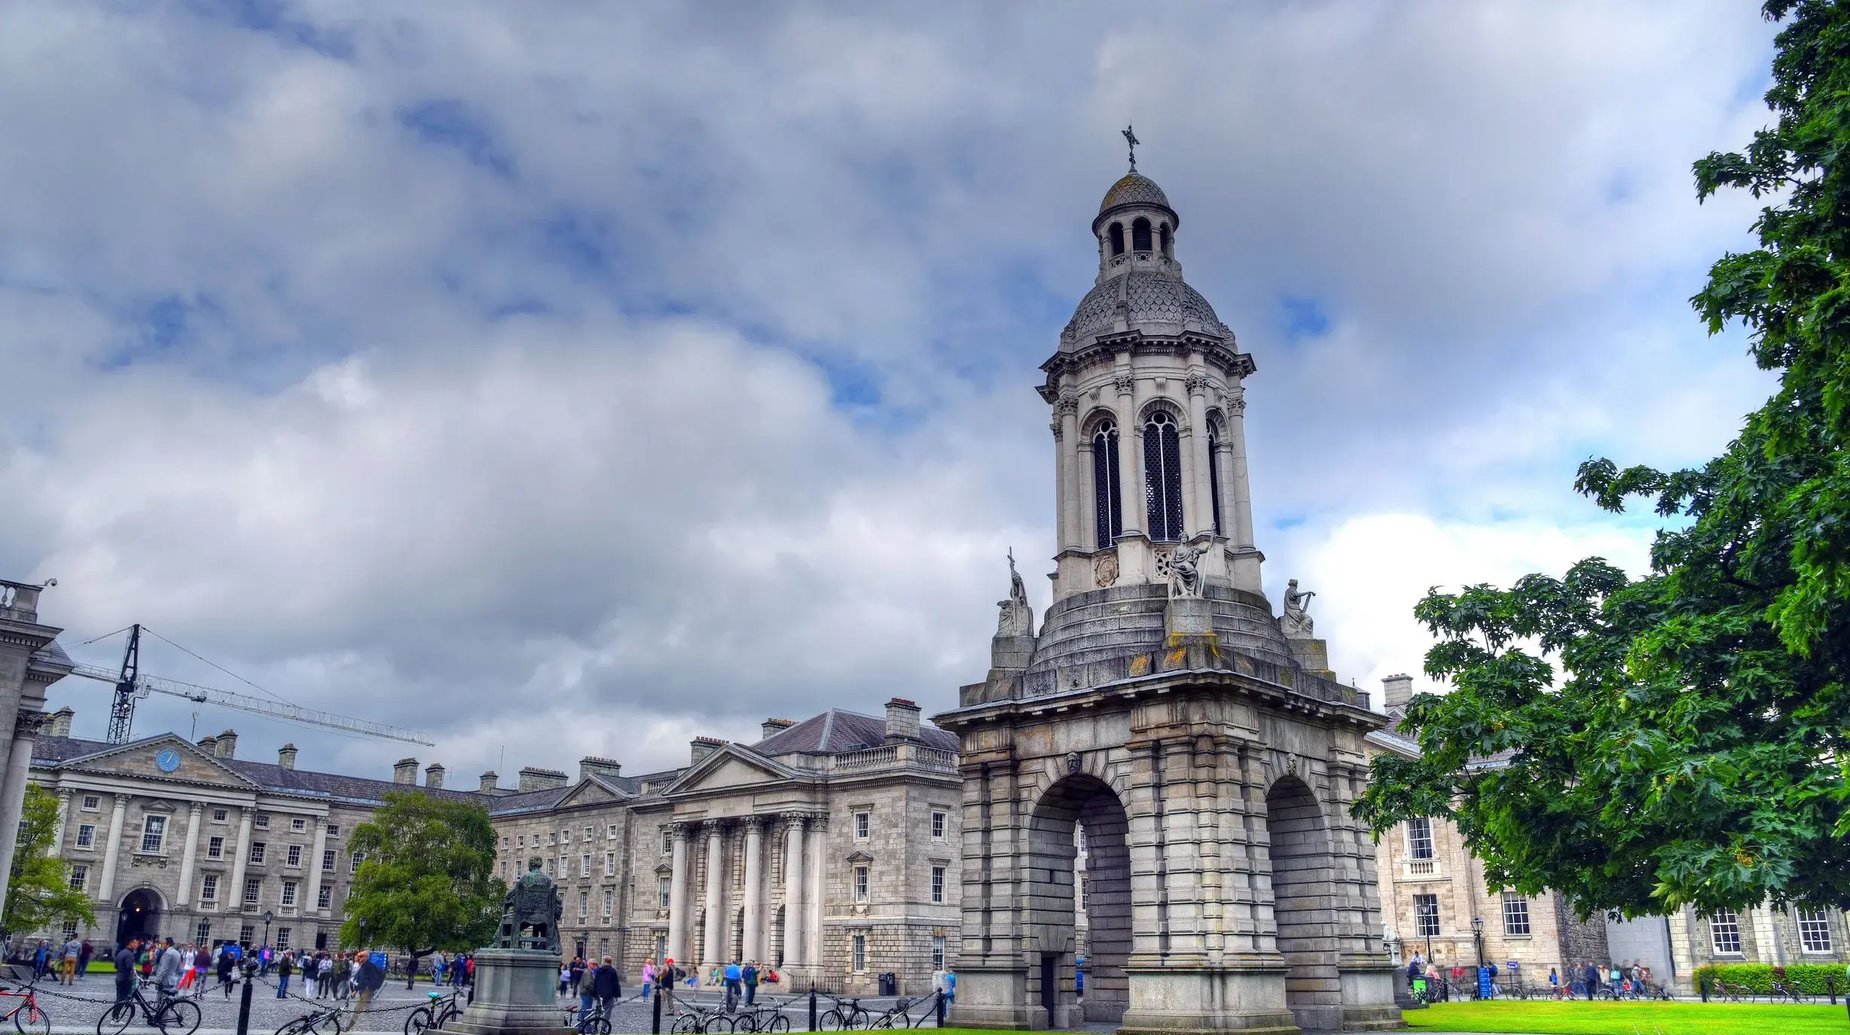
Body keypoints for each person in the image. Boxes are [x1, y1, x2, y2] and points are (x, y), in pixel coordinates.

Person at [353, 951, 385, 1015]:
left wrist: (368, 988)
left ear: (366, 957)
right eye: (358, 956)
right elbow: (359, 978)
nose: (359, 958)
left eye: (361, 956)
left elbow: (371, 979)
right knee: (366, 1002)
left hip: (367, 988)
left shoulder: (370, 966)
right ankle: (368, 1013)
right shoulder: (363, 965)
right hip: (363, 988)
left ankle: (367, 1015)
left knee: (360, 1005)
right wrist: (356, 990)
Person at [592, 955, 621, 1023]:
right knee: (607, 1012)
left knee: (598, 1011)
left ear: (604, 961)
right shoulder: (613, 971)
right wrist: (617, 995)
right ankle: (604, 1028)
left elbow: (595, 983)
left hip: (600, 994)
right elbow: (615, 984)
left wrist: (594, 994)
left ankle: (595, 1026)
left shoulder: (599, 971)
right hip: (609, 994)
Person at [113, 938, 141, 1006]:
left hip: (119, 977)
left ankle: (115, 1014)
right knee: (122, 999)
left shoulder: (121, 952)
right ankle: (115, 1015)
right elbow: (129, 967)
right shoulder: (129, 954)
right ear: (130, 943)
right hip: (125, 979)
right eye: (136, 943)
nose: (137, 945)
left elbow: (116, 966)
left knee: (119, 997)